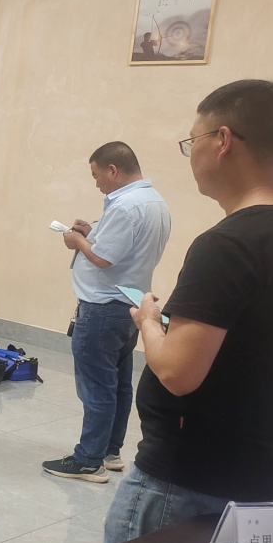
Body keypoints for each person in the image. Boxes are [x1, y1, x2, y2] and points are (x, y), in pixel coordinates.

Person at [104, 80, 273, 543]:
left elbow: (178, 373)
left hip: (186, 483)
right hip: (262, 471)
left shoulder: (229, 244)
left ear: (222, 141)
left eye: (191, 141)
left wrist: (148, 321)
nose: (190, 154)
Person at [42, 142, 170, 483]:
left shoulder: (125, 206)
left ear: (113, 170)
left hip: (102, 307)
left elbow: (103, 259)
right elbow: (126, 249)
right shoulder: (154, 202)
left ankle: (88, 460)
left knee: (97, 387)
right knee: (118, 384)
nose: (96, 182)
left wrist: (77, 241)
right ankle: (110, 452)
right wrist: (92, 233)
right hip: (129, 304)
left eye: (97, 175)